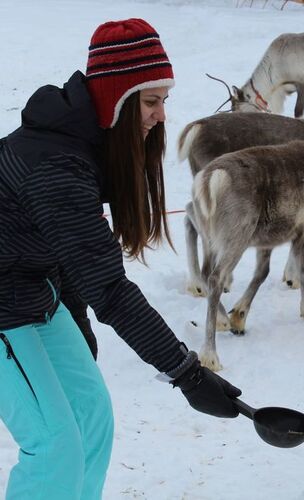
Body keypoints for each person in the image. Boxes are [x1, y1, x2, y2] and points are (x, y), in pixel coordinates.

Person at [0, 18, 241, 500]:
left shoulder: (84, 146)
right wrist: (187, 373)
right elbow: (109, 288)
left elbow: (67, 252)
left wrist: (76, 320)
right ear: (116, 99)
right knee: (54, 446)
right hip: (3, 309)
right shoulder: (55, 166)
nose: (161, 115)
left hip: (33, 291)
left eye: (164, 101)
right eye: (150, 101)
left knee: (93, 421)